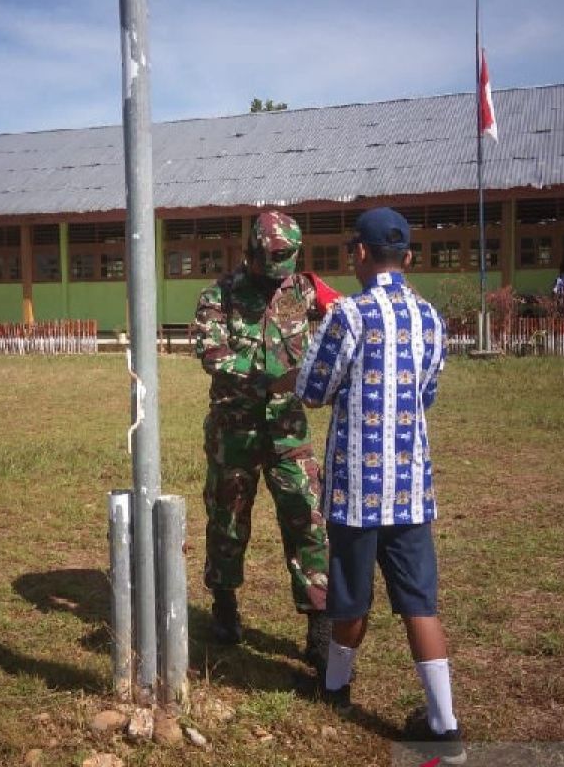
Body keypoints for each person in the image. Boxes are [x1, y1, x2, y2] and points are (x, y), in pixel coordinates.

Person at [275, 207, 464, 764]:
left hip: (356, 490)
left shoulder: (349, 316)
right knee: (419, 604)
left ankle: (335, 690)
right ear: (405, 257)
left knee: (350, 596)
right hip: (410, 487)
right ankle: (444, 726)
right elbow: (427, 393)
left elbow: (311, 388)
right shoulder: (431, 318)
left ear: (359, 253)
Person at [192, 209, 339, 675]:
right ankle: (225, 603)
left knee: (308, 518)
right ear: (250, 252)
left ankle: (318, 625)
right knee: (229, 521)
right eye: (268, 266)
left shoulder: (305, 288)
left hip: (288, 430)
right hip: (234, 432)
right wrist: (272, 379)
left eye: (285, 268)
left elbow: (347, 316)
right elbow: (211, 354)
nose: (277, 279)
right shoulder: (219, 295)